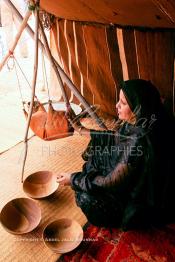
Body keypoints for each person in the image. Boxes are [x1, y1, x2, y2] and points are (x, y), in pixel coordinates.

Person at [57, 79, 175, 230]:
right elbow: (113, 137)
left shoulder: (140, 142)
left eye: (123, 103)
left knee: (85, 197)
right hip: (130, 172)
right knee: (100, 151)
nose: (116, 106)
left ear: (137, 107)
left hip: (136, 198)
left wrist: (73, 179)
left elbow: (110, 181)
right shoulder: (142, 117)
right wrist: (79, 128)